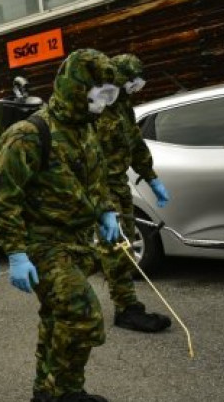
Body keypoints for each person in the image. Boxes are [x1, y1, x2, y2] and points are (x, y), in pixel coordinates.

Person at [0, 49, 121, 402]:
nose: (104, 103)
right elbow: (1, 198)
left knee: (56, 317)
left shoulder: (85, 128)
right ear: (76, 88)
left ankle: (46, 389)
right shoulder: (29, 134)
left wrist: (105, 211)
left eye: (111, 96)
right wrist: (16, 252)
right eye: (99, 94)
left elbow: (96, 179)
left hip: (78, 241)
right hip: (42, 244)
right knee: (83, 316)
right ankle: (66, 392)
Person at [96, 54, 172, 333]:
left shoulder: (123, 107)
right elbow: (86, 159)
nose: (134, 88)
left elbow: (136, 144)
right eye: (131, 82)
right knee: (116, 247)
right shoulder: (97, 109)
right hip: (98, 188)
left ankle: (120, 302)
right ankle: (126, 309)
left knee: (119, 245)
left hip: (118, 184)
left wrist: (151, 177)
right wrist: (103, 204)